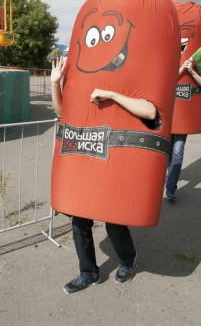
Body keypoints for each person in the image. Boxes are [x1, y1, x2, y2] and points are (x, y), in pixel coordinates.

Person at [51, 55, 142, 294]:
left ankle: (127, 260)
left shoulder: (120, 77)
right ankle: (88, 272)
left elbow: (149, 111)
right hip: (84, 159)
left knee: (114, 223)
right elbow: (63, 113)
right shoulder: (79, 80)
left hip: (112, 159)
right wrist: (54, 83)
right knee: (80, 222)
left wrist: (111, 95)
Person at [165, 58, 201, 201]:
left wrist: (191, 71)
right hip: (168, 115)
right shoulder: (170, 56)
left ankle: (170, 187)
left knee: (177, 152)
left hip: (182, 118)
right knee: (167, 153)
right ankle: (170, 174)